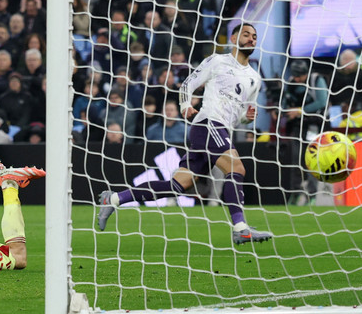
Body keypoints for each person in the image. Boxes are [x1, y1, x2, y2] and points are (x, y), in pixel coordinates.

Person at [96, 23, 273, 245]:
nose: (251, 39)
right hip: (208, 123)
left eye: (255, 36)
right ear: (234, 37)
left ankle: (113, 199)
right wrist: (185, 106)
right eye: (246, 34)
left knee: (178, 185)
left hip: (220, 128)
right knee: (237, 167)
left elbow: (239, 117)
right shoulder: (217, 61)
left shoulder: (254, 79)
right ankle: (240, 227)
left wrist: (247, 116)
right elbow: (187, 84)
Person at [279, 59, 329, 206]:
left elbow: (322, 102)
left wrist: (300, 111)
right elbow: (284, 102)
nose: (297, 79)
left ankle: (312, 195)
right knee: (296, 160)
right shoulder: (290, 82)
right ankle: (295, 194)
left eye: (300, 76)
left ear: (306, 73)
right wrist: (284, 111)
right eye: (295, 76)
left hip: (314, 125)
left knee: (311, 160)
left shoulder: (316, 80)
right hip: (297, 126)